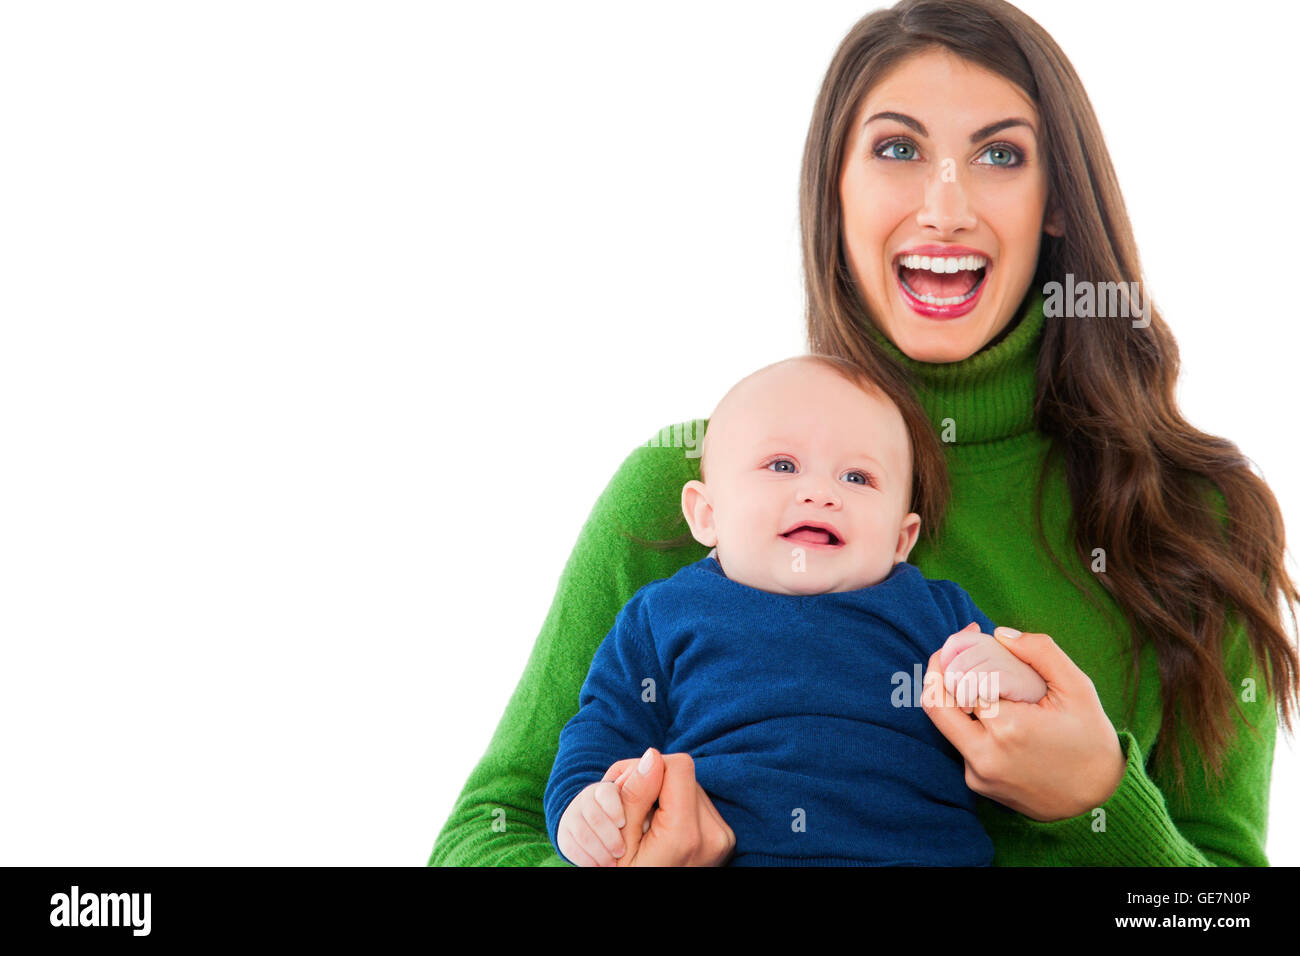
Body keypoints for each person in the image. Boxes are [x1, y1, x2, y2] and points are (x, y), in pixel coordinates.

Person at [429, 0, 1299, 867]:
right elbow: (483, 836)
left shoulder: (1200, 521)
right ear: (833, 191)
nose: (945, 208)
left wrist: (1100, 801)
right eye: (897, 149)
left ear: (1059, 202)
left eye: (1000, 154)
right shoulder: (691, 481)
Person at [546, 355, 1047, 866]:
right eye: (782, 466)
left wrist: (1016, 682)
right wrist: (581, 811)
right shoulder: (664, 614)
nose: (820, 493)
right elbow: (602, 729)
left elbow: (1028, 731)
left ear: (902, 539)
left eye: (857, 477)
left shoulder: (936, 613)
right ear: (706, 514)